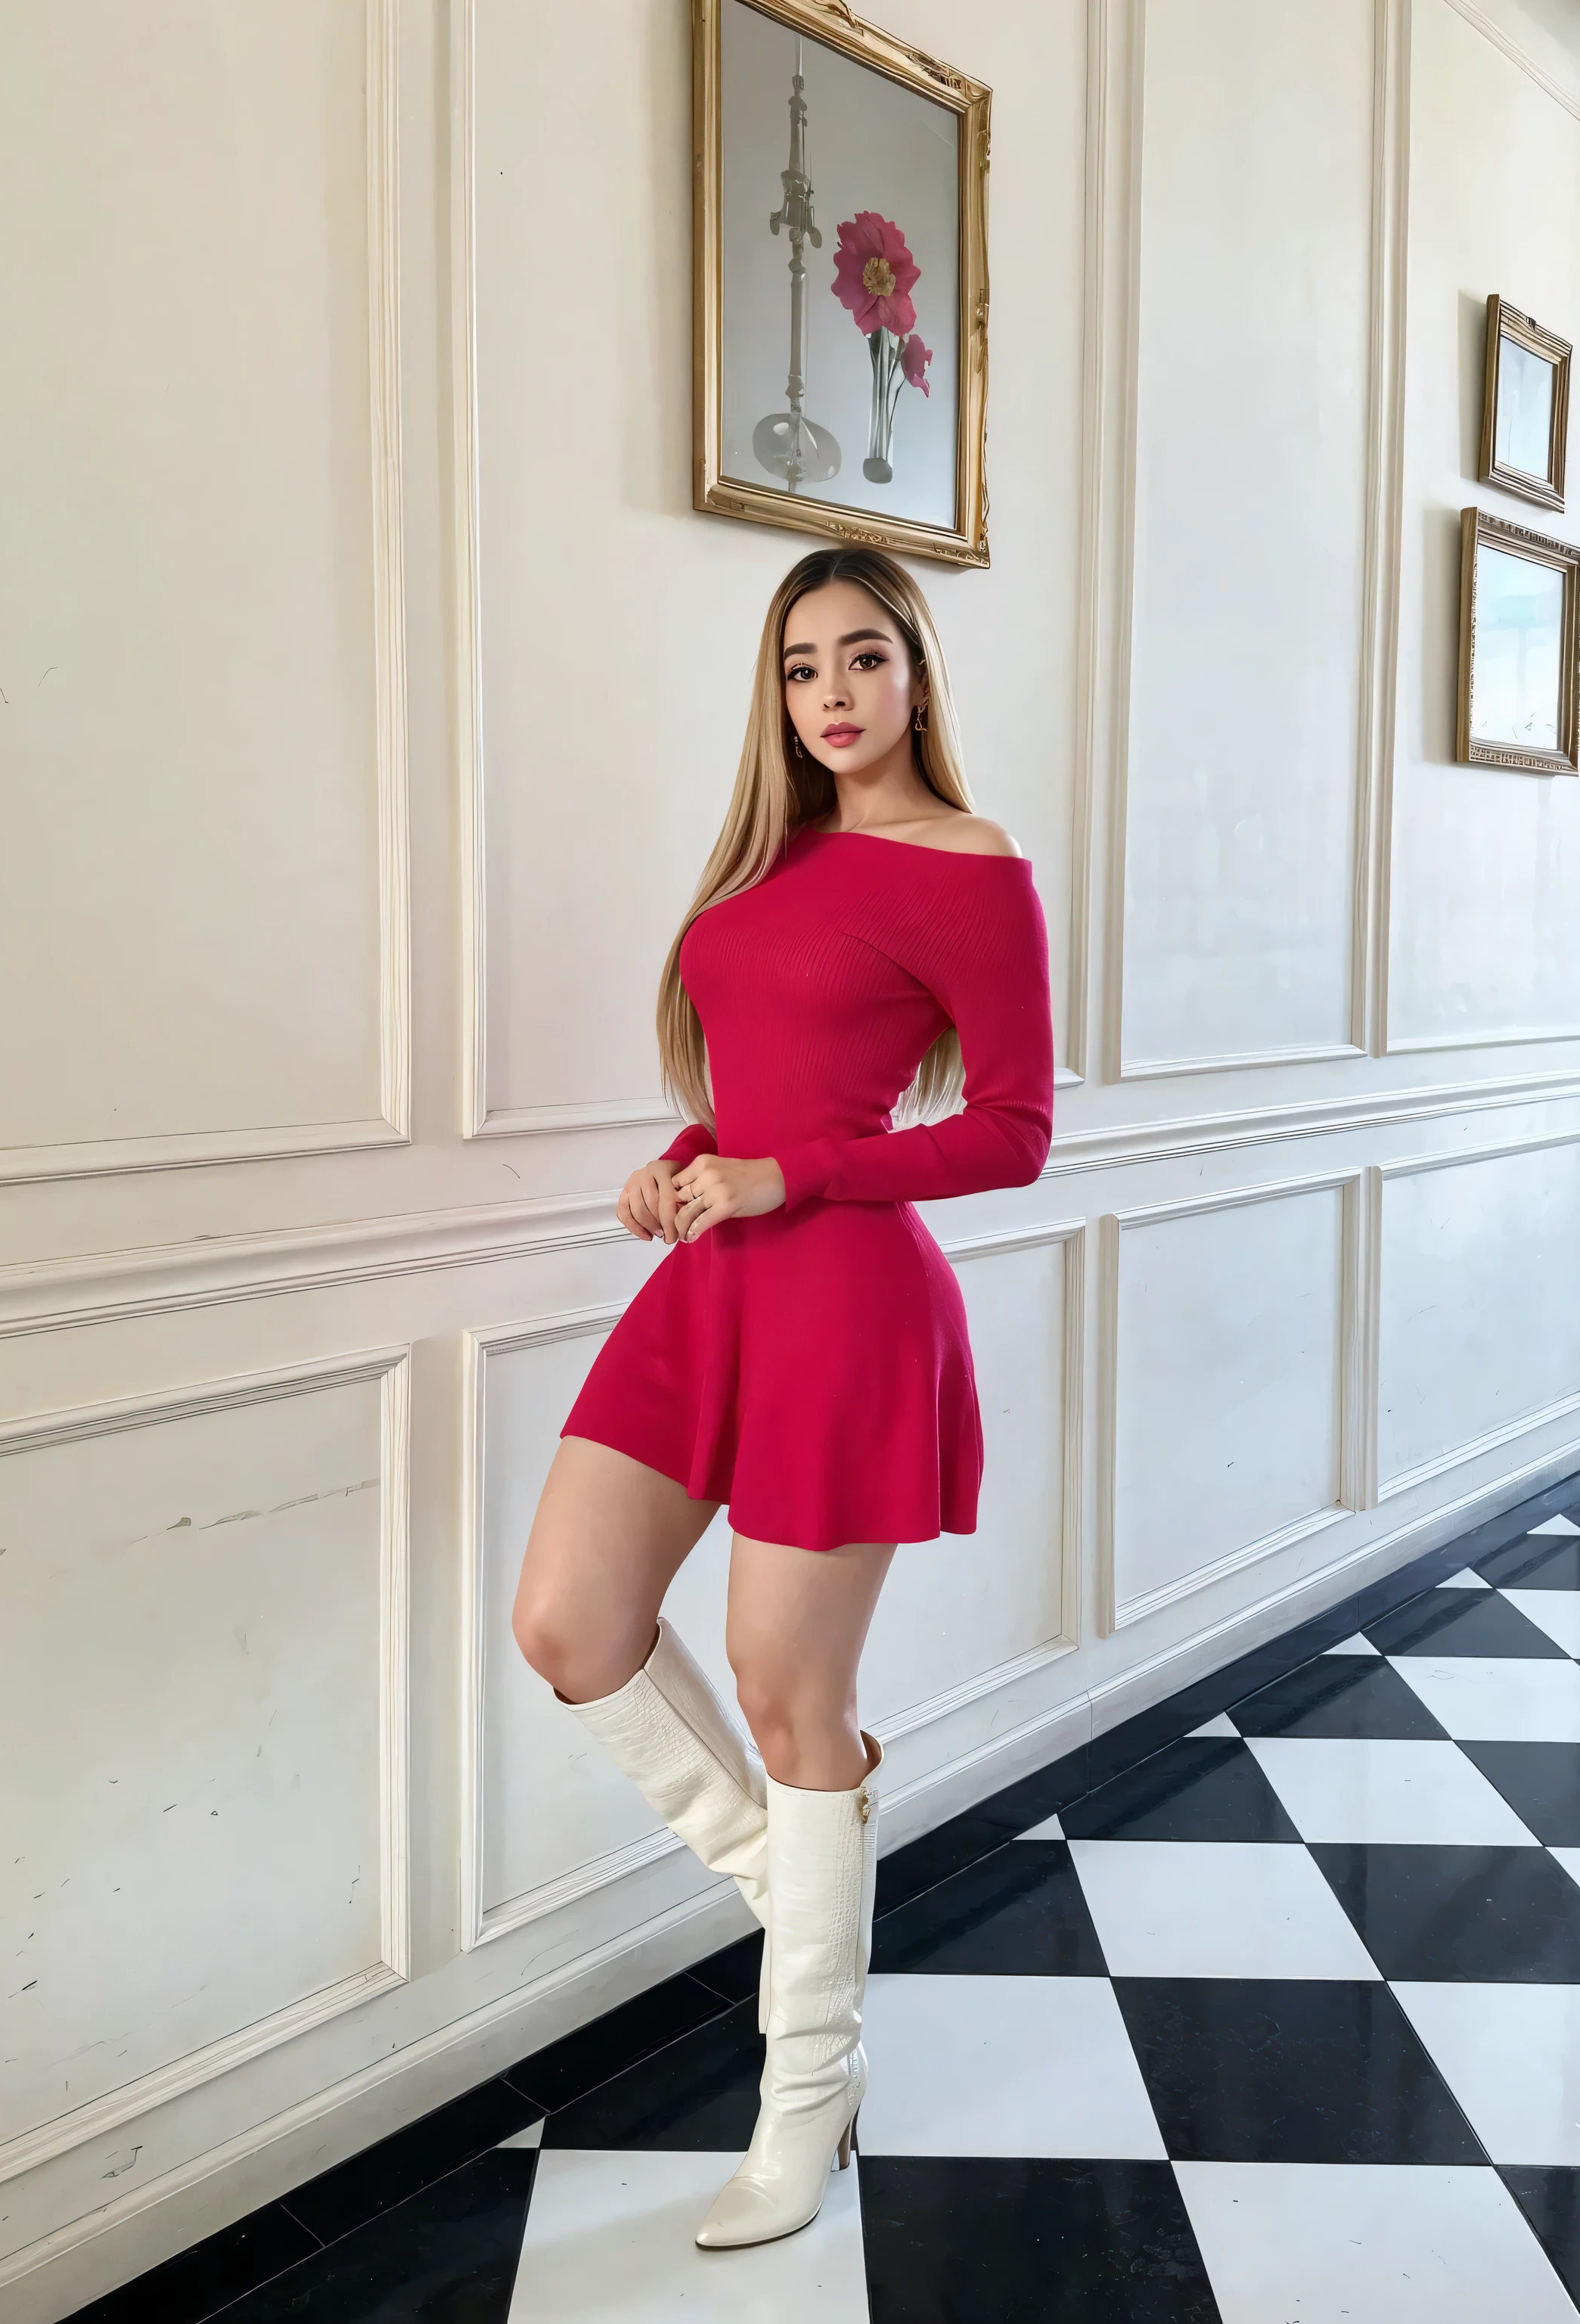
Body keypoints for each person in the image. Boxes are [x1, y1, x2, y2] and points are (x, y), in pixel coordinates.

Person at [511, 543, 1055, 2250]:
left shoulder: (974, 869)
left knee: (779, 1691)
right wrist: (686, 1165)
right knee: (566, 1624)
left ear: (917, 677)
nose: (832, 693)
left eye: (865, 659)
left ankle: (804, 2094)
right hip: (715, 1284)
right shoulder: (766, 861)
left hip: (846, 1299)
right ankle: (801, 1900)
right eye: (804, 665)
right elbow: (750, 1090)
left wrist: (783, 1178)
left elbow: (1014, 1130)